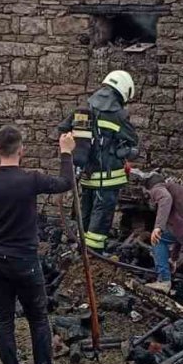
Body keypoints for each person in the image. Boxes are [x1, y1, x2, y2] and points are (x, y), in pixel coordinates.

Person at [0, 126, 75, 364]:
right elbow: (66, 183)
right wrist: (66, 153)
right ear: (22, 150)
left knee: (3, 319)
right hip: (25, 261)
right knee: (38, 318)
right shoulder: (31, 180)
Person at [59, 70, 138, 252]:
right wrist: (125, 151)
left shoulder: (84, 109)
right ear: (124, 90)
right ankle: (95, 255)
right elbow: (133, 142)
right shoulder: (118, 115)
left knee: (85, 213)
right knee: (101, 218)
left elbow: (63, 128)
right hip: (109, 178)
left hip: (86, 175)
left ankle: (81, 251)